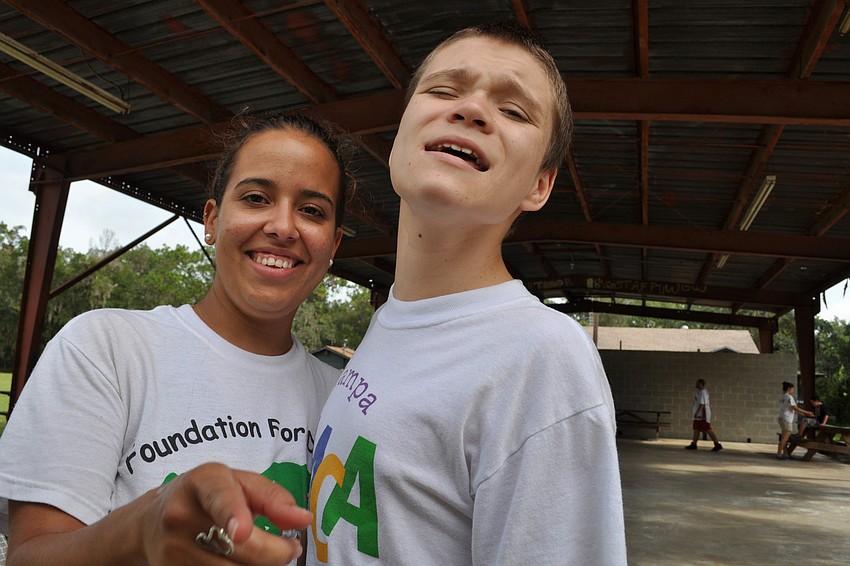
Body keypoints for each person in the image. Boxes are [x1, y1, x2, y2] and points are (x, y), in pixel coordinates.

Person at [307, 21, 626, 565]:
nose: (472, 109)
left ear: (539, 186)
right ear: (397, 144)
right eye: (444, 90)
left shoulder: (542, 358)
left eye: (514, 110)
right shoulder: (392, 320)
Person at [0, 111, 355, 565]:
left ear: (334, 246)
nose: (283, 227)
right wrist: (140, 530)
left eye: (311, 210)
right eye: (255, 197)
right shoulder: (104, 349)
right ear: (211, 218)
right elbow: (29, 556)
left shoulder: (340, 402)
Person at [777, 381, 813, 460]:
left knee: (785, 437)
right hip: (786, 419)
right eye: (792, 389)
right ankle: (779, 454)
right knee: (785, 438)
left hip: (782, 418)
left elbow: (790, 409)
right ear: (789, 389)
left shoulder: (783, 397)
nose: (793, 391)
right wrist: (806, 412)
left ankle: (785, 453)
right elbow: (794, 407)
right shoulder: (789, 397)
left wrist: (801, 414)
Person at [684, 378, 723, 451]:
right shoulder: (698, 392)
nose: (696, 384)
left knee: (707, 428)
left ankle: (717, 444)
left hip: (702, 415)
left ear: (701, 384)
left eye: (697, 383)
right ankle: (694, 444)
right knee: (696, 429)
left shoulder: (703, 392)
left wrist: (697, 413)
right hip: (698, 415)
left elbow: (702, 404)